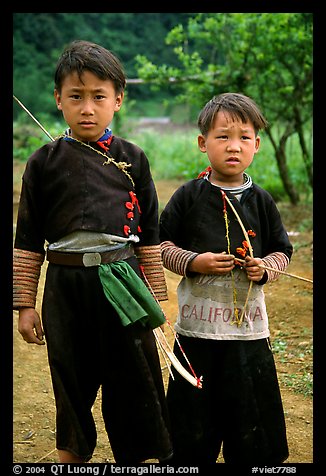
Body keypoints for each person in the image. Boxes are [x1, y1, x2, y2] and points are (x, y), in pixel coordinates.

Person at [13, 40, 173, 464]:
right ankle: (71, 453)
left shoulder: (132, 160)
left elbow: (150, 235)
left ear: (117, 100)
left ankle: (134, 457)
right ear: (58, 101)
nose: (88, 108)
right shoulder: (42, 163)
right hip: (65, 289)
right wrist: (25, 305)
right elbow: (27, 240)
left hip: (122, 282)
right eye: (76, 97)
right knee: (70, 379)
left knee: (132, 380)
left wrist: (155, 297)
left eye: (99, 97)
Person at [159, 92, 293, 464]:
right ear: (203, 143)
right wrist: (194, 261)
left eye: (244, 137)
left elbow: (283, 252)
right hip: (196, 333)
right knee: (190, 431)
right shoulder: (188, 196)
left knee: (250, 431)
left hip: (248, 334)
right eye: (223, 136)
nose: (234, 147)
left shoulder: (262, 201)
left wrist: (265, 267)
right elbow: (161, 244)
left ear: (257, 145)